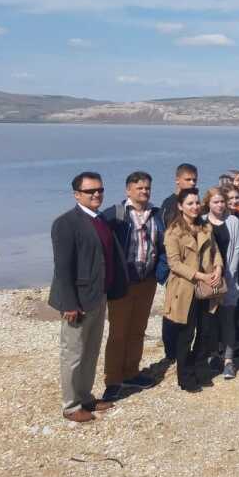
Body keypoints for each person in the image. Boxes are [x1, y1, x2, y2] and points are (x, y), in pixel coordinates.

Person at [50, 172, 129, 422]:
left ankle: (85, 397)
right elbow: (62, 268)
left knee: (91, 351)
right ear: (77, 195)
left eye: (99, 190)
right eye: (90, 191)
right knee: (73, 353)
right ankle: (71, 406)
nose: (96, 194)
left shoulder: (101, 221)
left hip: (99, 296)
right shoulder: (66, 223)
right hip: (78, 301)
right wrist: (69, 303)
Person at [100, 171, 166, 401]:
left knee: (138, 330)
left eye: (147, 188)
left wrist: (161, 272)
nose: (144, 192)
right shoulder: (115, 214)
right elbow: (99, 242)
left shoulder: (157, 215)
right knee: (118, 333)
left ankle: (132, 372)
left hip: (146, 281)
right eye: (139, 188)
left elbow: (163, 246)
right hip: (122, 282)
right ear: (128, 190)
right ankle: (113, 379)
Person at [163, 187, 224, 391]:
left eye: (197, 203)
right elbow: (174, 264)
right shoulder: (173, 232)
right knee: (186, 335)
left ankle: (200, 370)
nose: (195, 207)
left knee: (206, 332)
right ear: (180, 206)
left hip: (207, 287)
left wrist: (218, 268)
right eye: (190, 203)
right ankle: (185, 376)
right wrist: (199, 275)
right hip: (185, 289)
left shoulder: (206, 227)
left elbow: (216, 252)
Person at [201, 187, 239, 379]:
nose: (219, 205)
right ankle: (213, 355)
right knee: (210, 320)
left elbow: (237, 248)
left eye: (222, 202)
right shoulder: (201, 222)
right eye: (215, 202)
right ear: (208, 203)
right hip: (208, 278)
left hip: (229, 278)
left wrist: (229, 274)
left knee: (228, 319)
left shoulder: (233, 221)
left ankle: (229, 360)